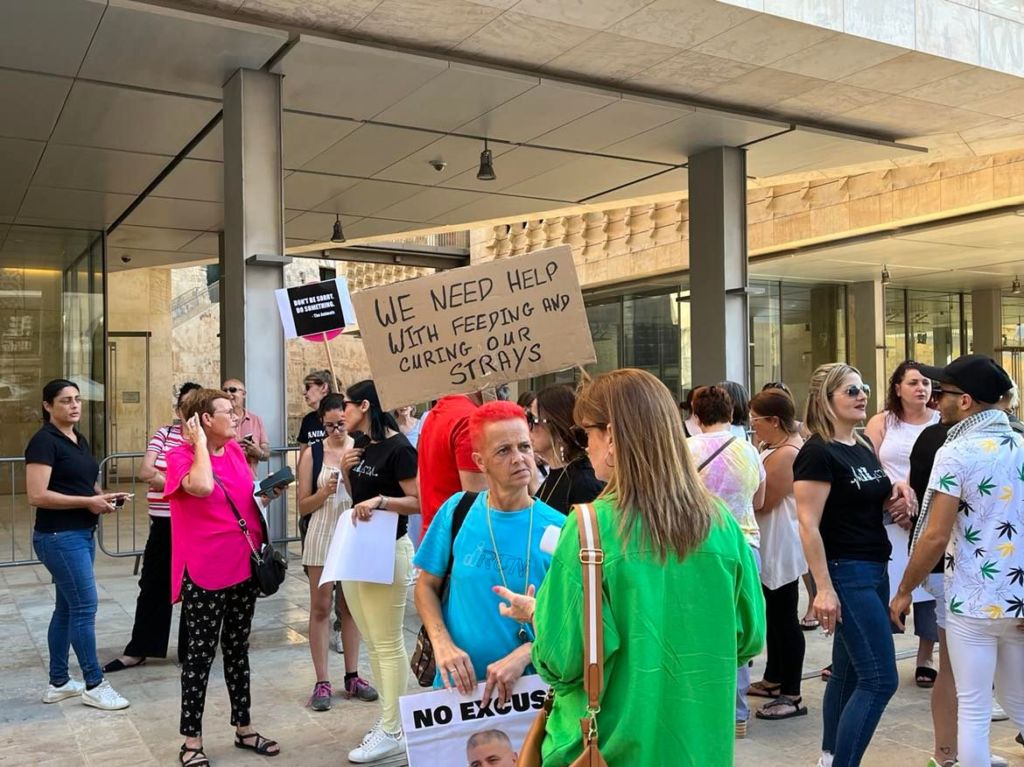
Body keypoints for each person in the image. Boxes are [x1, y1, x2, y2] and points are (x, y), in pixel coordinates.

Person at [495, 368, 764, 765]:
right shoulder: (721, 522)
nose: (584, 446)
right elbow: (748, 638)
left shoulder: (590, 527)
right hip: (699, 747)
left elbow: (561, 661)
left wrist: (539, 615)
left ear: (613, 439)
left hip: (611, 748)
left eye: (587, 433)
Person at [891, 354, 1023, 767]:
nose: (936, 400)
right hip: (1018, 600)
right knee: (1019, 705)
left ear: (965, 401)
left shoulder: (956, 451)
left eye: (944, 393)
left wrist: (904, 590)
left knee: (974, 709)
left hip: (971, 601)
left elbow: (933, 535)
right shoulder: (1022, 444)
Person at [794, 363, 916, 767]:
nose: (862, 395)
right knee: (881, 679)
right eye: (850, 391)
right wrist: (823, 589)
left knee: (847, 675)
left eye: (863, 387)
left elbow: (863, 499)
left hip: (875, 568)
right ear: (826, 400)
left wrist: (896, 490)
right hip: (847, 572)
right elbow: (808, 525)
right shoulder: (817, 452)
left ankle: (830, 757)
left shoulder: (861, 444)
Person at [414, 401, 564, 702]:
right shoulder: (457, 511)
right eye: (503, 450)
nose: (520, 459)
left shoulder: (560, 529)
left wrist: (527, 654)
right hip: (457, 691)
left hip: (530, 695)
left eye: (524, 446)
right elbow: (426, 586)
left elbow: (573, 622)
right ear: (479, 462)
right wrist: (442, 643)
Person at [165, 388, 282, 766]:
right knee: (199, 657)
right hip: (203, 571)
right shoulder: (180, 456)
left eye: (235, 410)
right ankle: (191, 740)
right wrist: (198, 443)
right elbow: (202, 488)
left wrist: (267, 495)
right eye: (226, 412)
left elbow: (243, 499)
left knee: (237, 649)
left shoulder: (234, 451)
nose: (236, 416)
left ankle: (244, 727)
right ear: (202, 420)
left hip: (241, 567)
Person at [26, 379, 131, 711]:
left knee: (67, 608)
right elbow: (37, 495)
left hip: (80, 533)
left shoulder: (77, 438)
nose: (74, 405)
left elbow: (86, 484)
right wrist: (87, 502)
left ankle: (59, 682)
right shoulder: (44, 442)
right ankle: (94, 683)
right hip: (59, 537)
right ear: (48, 406)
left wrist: (103, 497)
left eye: (77, 399)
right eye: (65, 401)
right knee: (85, 607)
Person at [339, 379, 420, 763]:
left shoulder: (400, 448)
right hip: (361, 549)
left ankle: (394, 728)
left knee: (388, 642)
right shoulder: (360, 447)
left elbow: (417, 501)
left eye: (349, 406)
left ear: (366, 406)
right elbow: (355, 498)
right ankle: (389, 721)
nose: (343, 413)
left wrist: (383, 500)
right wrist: (343, 469)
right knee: (372, 640)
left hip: (389, 550)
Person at [103, 381, 200, 674]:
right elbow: (146, 471)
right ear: (178, 408)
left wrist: (168, 480)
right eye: (185, 406)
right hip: (163, 522)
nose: (189, 413)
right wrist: (182, 483)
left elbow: (205, 480)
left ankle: (191, 650)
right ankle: (141, 648)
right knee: (153, 585)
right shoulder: (165, 434)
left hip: (195, 524)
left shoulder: (205, 442)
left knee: (196, 588)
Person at [687, 384, 766, 737]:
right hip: (745, 546)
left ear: (695, 414)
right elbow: (760, 500)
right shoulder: (749, 451)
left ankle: (705, 710)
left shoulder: (684, 450)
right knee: (741, 632)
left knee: (702, 631)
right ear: (732, 413)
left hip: (699, 549)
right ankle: (738, 713)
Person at [295, 393, 377, 711]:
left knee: (351, 606)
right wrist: (323, 492)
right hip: (322, 532)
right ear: (321, 424)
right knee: (321, 605)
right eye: (330, 425)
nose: (337, 430)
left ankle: (353, 675)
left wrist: (346, 476)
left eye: (341, 423)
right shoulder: (311, 454)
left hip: (353, 532)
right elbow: (303, 504)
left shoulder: (362, 450)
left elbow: (368, 497)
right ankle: (321, 680)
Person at [864, 360, 941, 688]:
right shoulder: (882, 421)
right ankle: (878, 653)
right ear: (897, 388)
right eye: (913, 382)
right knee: (886, 581)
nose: (921, 388)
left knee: (930, 586)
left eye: (925, 382)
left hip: (933, 511)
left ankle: (925, 655)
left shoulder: (942, 422)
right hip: (887, 510)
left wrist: (917, 507)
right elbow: (869, 464)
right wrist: (895, 502)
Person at [747, 387, 808, 722]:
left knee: (785, 616)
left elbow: (765, 501)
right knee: (773, 612)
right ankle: (774, 677)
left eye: (756, 420)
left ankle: (792, 691)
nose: (753, 426)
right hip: (770, 537)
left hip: (780, 540)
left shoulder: (787, 453)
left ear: (773, 420)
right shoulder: (772, 447)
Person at [416, 392, 486, 538]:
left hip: (435, 537)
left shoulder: (435, 412)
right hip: (461, 545)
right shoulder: (469, 418)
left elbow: (420, 480)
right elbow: (477, 502)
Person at [526, 384, 604, 514]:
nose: (529, 427)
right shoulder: (558, 471)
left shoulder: (583, 482)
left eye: (533, 419)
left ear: (556, 424)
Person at [222, 378, 269, 474]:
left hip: (250, 482)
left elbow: (266, 453)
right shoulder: (218, 420)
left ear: (243, 394)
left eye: (232, 390)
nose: (228, 394)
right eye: (224, 390)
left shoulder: (256, 420)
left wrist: (259, 453)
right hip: (225, 482)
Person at [297, 369, 333, 453]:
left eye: (308, 387)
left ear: (324, 387)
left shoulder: (344, 417)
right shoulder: (308, 420)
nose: (304, 393)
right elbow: (303, 457)